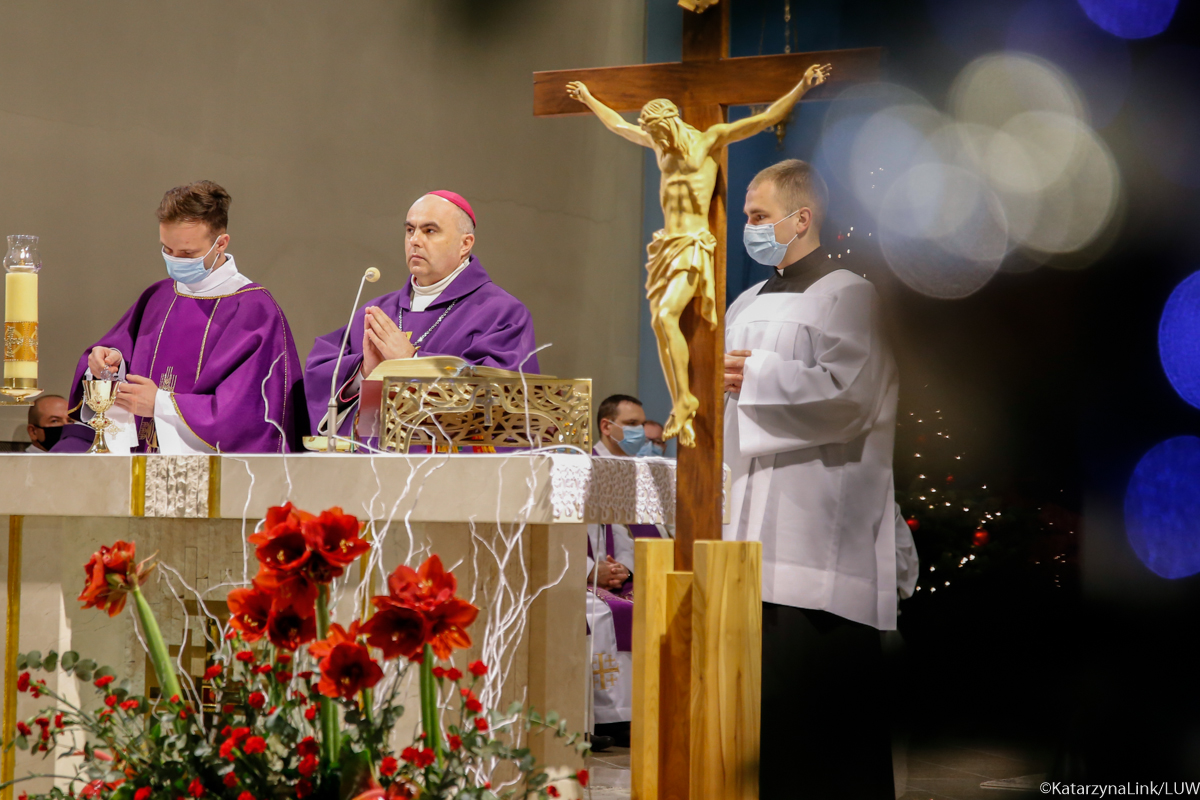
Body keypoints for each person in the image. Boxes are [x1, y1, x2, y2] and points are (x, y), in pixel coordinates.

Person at [722, 159, 901, 798]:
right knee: (758, 722)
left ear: (801, 219)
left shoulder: (850, 294)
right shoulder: (744, 303)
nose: (749, 228)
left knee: (819, 726)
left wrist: (755, 376)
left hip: (815, 530)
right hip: (745, 525)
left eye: (759, 216)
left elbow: (850, 396)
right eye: (747, 216)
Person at [53, 181, 305, 454]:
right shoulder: (159, 296)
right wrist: (109, 363)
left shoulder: (254, 310)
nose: (175, 261)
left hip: (212, 470)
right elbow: (119, 357)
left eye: (187, 253)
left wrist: (161, 405)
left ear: (221, 243)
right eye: (167, 250)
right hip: (140, 462)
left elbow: (250, 413)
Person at [305, 191, 539, 439]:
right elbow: (319, 379)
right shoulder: (376, 313)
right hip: (372, 460)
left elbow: (504, 403)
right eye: (410, 230)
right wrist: (363, 372)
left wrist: (412, 361)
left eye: (430, 231)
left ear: (465, 244)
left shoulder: (501, 313)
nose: (415, 240)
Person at [587, 394, 671, 749]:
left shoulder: (637, 470)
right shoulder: (582, 469)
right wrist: (593, 571)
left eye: (640, 423)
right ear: (607, 426)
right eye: (632, 424)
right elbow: (566, 533)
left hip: (616, 574)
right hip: (583, 575)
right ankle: (613, 716)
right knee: (608, 612)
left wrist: (626, 569)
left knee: (660, 604)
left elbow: (632, 533)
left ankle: (652, 708)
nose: (639, 431)